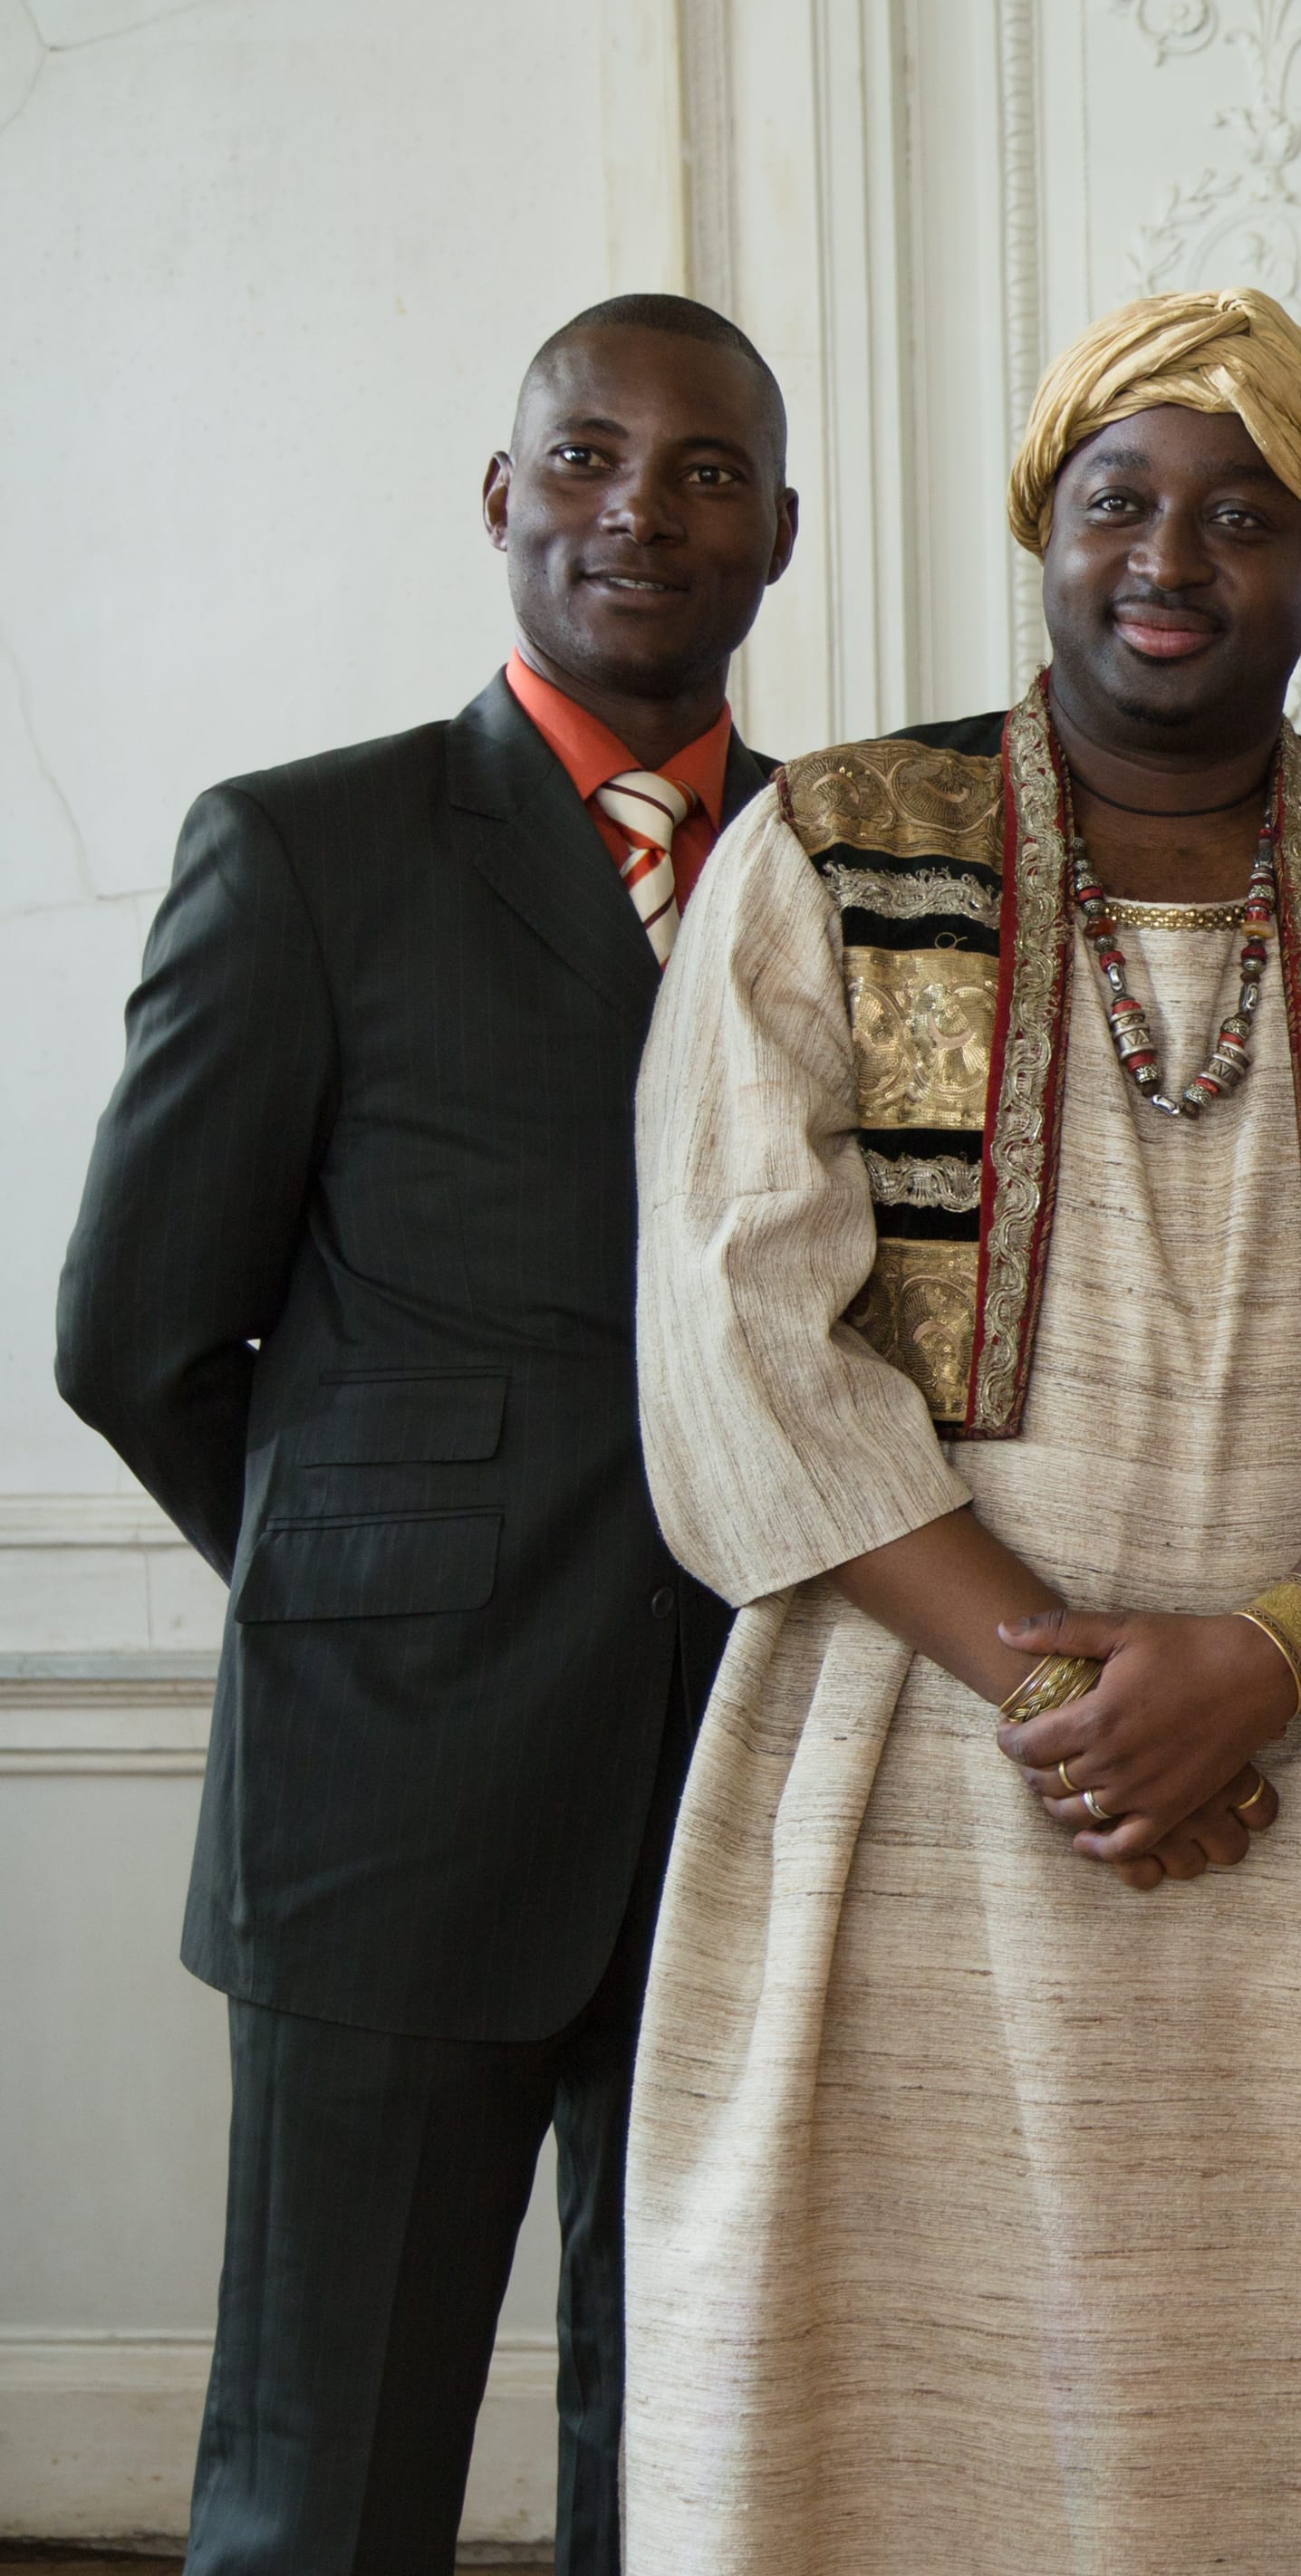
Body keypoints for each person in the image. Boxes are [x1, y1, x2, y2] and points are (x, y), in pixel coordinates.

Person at [622, 288, 1301, 2572]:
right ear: (1046, 525)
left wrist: (1266, 1657)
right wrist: (1066, 1695)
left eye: (1244, 517)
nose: (1170, 559)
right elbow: (738, 1329)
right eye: (1119, 501)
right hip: (924, 1752)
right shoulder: (825, 847)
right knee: (898, 2427)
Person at [52, 296, 797, 2576]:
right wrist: (369, 1574)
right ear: (500, 498)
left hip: (760, 1784)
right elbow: (137, 1337)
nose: (637, 512)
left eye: (702, 473)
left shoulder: (851, 867)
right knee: (329, 2483)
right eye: (586, 457)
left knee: (695, 2472)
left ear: (778, 534)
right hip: (389, 1785)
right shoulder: (307, 850)